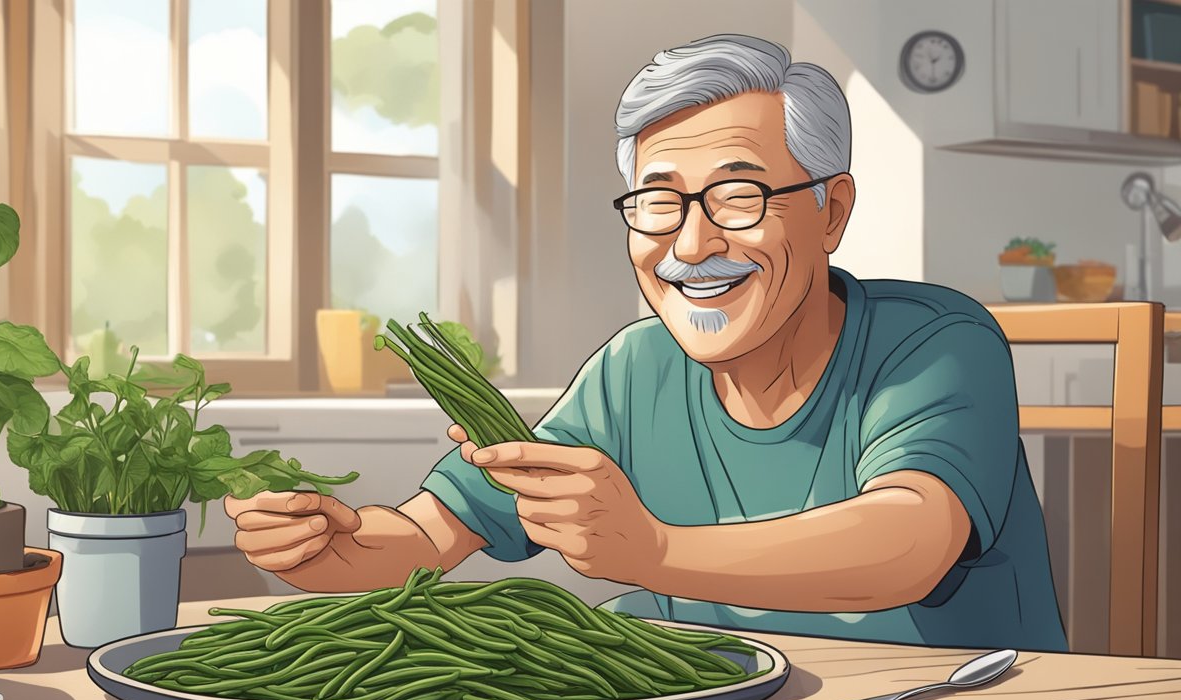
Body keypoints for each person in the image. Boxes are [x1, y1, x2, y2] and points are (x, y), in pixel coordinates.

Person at [227, 33, 1067, 652]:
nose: (691, 247)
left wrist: (653, 551)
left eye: (738, 197)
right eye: (659, 203)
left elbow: (908, 545)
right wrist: (329, 546)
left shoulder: (936, 343)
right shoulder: (636, 369)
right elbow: (429, 533)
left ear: (832, 211)